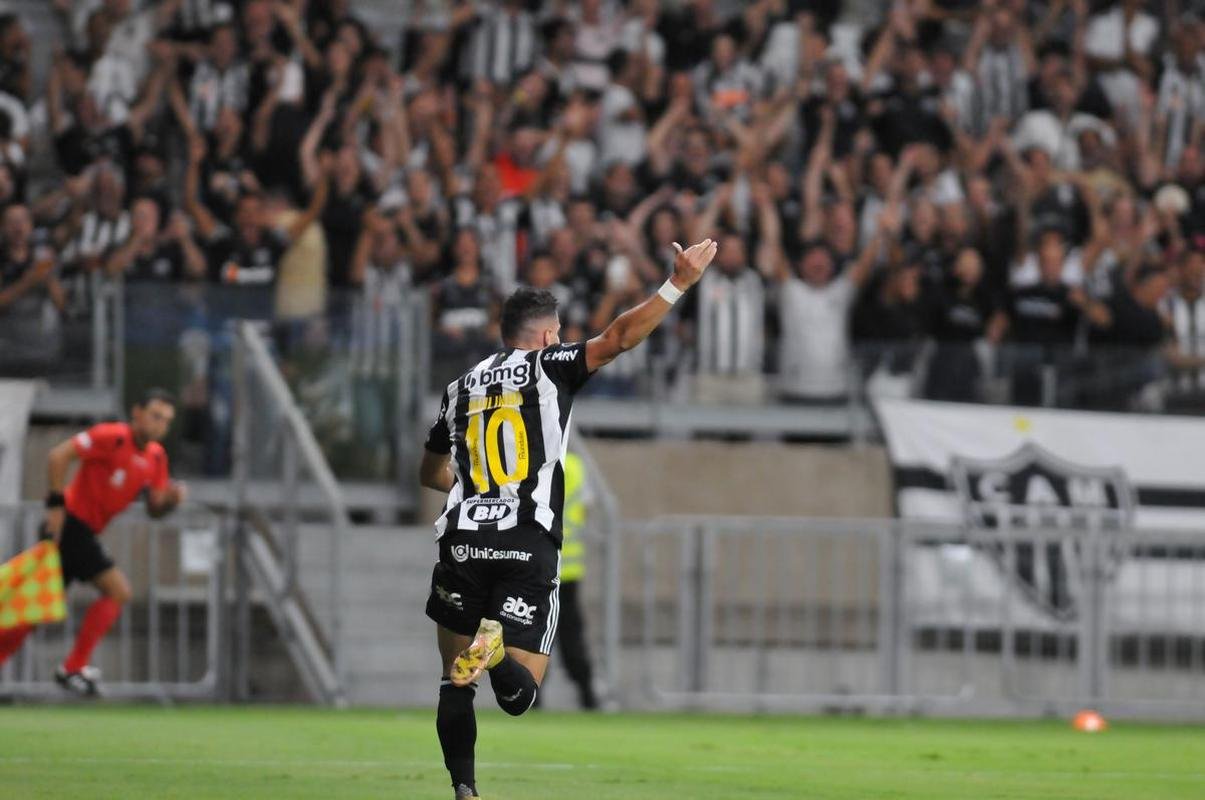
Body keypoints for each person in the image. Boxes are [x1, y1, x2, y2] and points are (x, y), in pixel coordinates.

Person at [419, 237, 717, 800]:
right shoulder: (551, 365)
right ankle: (496, 650)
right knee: (519, 696)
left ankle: (464, 790)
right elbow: (619, 337)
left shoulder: (458, 389)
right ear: (546, 336)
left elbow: (430, 471)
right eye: (556, 333)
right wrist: (677, 283)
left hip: (462, 540)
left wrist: (474, 487)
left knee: (453, 682)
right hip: (525, 541)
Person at [0, 389, 186, 696]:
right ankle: (73, 667)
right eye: (155, 416)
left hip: (84, 532)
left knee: (33, 611)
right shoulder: (112, 436)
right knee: (117, 591)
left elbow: (154, 509)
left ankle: (64, 666)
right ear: (137, 412)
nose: (160, 425)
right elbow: (59, 455)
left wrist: (172, 501)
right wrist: (56, 506)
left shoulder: (156, 457)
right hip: (69, 526)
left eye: (166, 420)